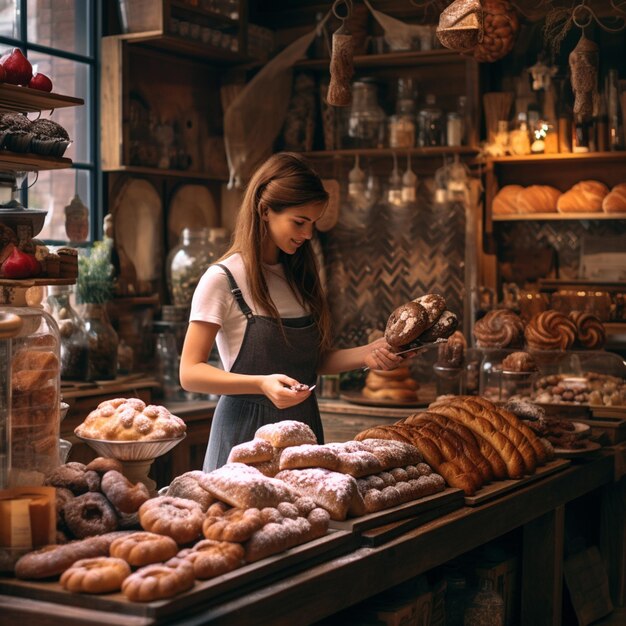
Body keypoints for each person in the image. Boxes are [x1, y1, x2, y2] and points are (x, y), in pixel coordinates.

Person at [180, 152, 408, 471]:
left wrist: (369, 353)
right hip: (244, 440)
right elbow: (190, 372)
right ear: (264, 211)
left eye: (312, 224)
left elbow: (307, 363)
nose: (307, 235)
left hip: (304, 435)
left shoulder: (297, 277)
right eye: (299, 222)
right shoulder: (222, 280)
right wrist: (261, 384)